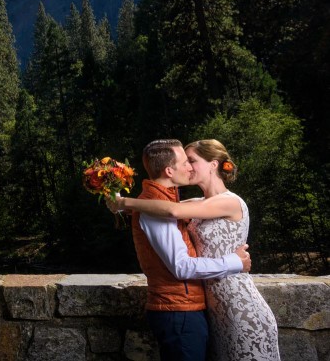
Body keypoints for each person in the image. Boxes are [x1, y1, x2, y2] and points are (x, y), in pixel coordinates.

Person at [109, 139, 280, 361]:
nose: (188, 166)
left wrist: (124, 203)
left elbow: (170, 210)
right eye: (186, 161)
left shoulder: (229, 201)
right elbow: (161, 206)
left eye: (193, 160)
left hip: (237, 301)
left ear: (213, 164)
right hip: (213, 307)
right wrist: (127, 206)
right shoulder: (197, 202)